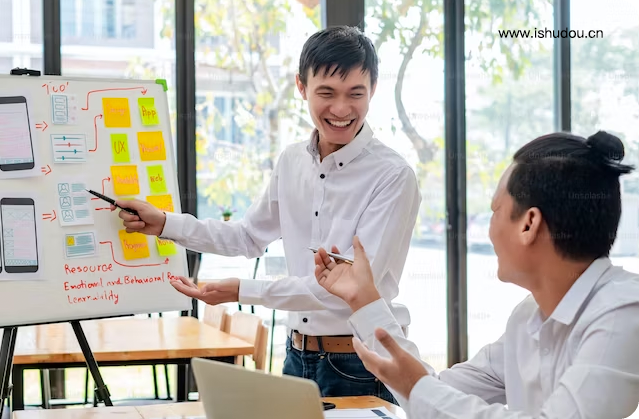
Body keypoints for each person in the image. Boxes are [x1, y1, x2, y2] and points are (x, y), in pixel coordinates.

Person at [112, 26, 421, 403]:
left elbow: (349, 290)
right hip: (296, 354)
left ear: (373, 89)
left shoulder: (392, 176)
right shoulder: (292, 161)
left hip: (361, 362)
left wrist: (241, 290)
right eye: (326, 93)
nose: (341, 109)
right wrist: (164, 223)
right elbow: (247, 236)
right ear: (301, 86)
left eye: (355, 94)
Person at [314, 130, 639, 417]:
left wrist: (418, 387)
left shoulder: (623, 316)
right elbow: (436, 395)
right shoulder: (528, 318)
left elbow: (425, 392)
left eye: (496, 211)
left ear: (529, 224)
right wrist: (364, 299)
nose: (488, 230)